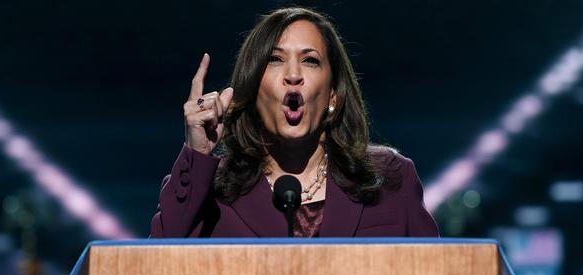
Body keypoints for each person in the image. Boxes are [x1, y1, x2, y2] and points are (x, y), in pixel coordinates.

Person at [150, 7, 438, 238]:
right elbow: (152, 274)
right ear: (253, 91)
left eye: (310, 60)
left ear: (333, 95)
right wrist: (197, 154)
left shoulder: (390, 178)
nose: (293, 75)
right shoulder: (210, 190)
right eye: (275, 59)